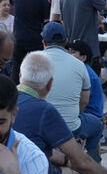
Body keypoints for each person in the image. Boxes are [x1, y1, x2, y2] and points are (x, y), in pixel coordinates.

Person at [41, 21, 102, 162]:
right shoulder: (80, 65)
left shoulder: (31, 60)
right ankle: (89, 161)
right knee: (97, 125)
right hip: (71, 127)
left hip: (42, 126)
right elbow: (85, 100)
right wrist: (74, 113)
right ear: (66, 41)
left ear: (44, 41)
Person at [10, 0, 50, 84]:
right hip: (35, 39)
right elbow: (46, 21)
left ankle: (15, 92)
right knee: (35, 69)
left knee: (16, 66)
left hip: (18, 37)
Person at [67, 40, 105, 119]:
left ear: (83, 57)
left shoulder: (87, 75)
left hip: (90, 115)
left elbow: (82, 101)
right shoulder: (78, 70)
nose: (69, 55)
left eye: (73, 52)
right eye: (68, 52)